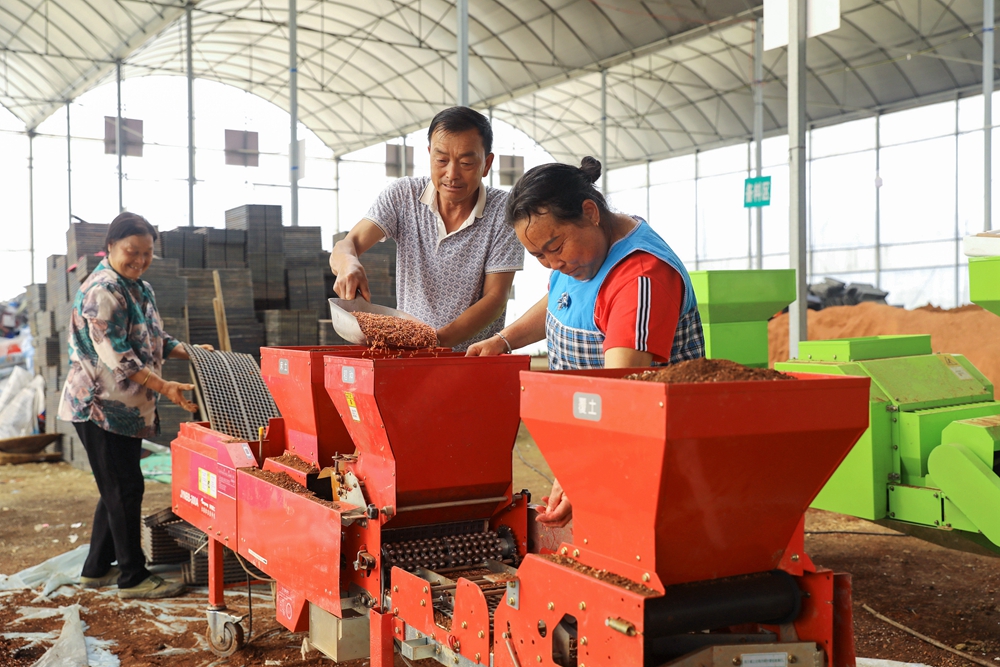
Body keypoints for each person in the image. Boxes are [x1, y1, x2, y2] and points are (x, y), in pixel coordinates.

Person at [466, 157, 705, 527]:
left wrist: (584, 471)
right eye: (538, 256)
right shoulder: (583, 255)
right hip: (599, 445)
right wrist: (504, 339)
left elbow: (621, 392)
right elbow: (561, 301)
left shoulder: (640, 278)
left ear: (590, 212)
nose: (551, 264)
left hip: (646, 454)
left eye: (554, 247)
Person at [59, 212, 212, 599]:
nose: (140, 260)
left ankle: (95, 570)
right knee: (125, 489)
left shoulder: (138, 287)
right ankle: (132, 576)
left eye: (146, 253)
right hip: (99, 407)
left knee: (117, 487)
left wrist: (191, 353)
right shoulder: (101, 291)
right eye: (132, 251)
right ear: (110, 246)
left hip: (125, 409)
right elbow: (121, 358)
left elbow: (154, 338)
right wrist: (166, 386)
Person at [329, 106, 524, 350]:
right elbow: (346, 245)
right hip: (410, 356)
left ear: (486, 164)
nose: (451, 174)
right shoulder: (403, 196)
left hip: (473, 359)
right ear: (430, 154)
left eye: (466, 162)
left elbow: (496, 298)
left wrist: (434, 342)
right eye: (441, 160)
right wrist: (349, 263)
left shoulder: (504, 212)